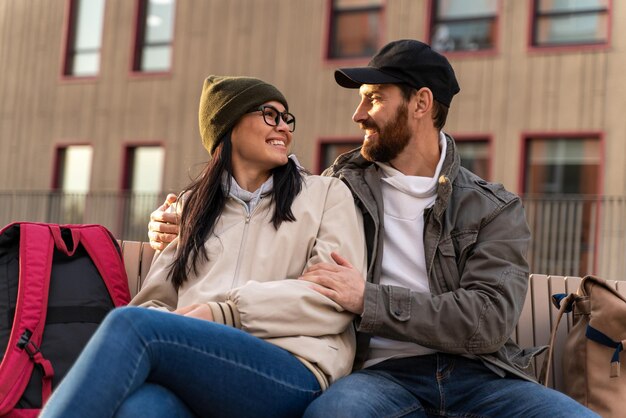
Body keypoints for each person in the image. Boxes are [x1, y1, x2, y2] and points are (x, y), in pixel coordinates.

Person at [147, 42, 598, 417]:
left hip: (482, 376)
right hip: (377, 376)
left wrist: (369, 299)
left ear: (421, 103)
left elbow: (488, 320)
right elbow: (256, 211)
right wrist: (177, 222)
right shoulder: (337, 189)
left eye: (375, 98)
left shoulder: (492, 207)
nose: (358, 114)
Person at [40, 75, 366, 418]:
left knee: (131, 325)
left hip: (291, 369)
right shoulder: (194, 207)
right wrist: (177, 328)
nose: (284, 128)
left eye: (288, 119)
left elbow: (331, 298)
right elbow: (155, 300)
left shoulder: (327, 195)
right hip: (200, 366)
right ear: (228, 124)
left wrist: (226, 312)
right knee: (143, 409)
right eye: (270, 115)